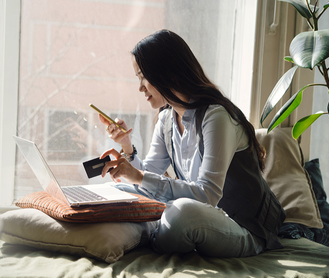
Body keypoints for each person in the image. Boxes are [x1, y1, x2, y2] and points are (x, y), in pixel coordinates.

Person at [98, 29, 286, 258]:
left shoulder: (216, 116)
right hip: (198, 216)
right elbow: (147, 177)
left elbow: (208, 195)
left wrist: (138, 177)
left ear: (168, 72)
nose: (140, 87)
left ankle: (146, 230)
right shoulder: (167, 119)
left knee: (182, 214)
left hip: (243, 227)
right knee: (113, 191)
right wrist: (127, 147)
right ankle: (147, 228)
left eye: (143, 76)